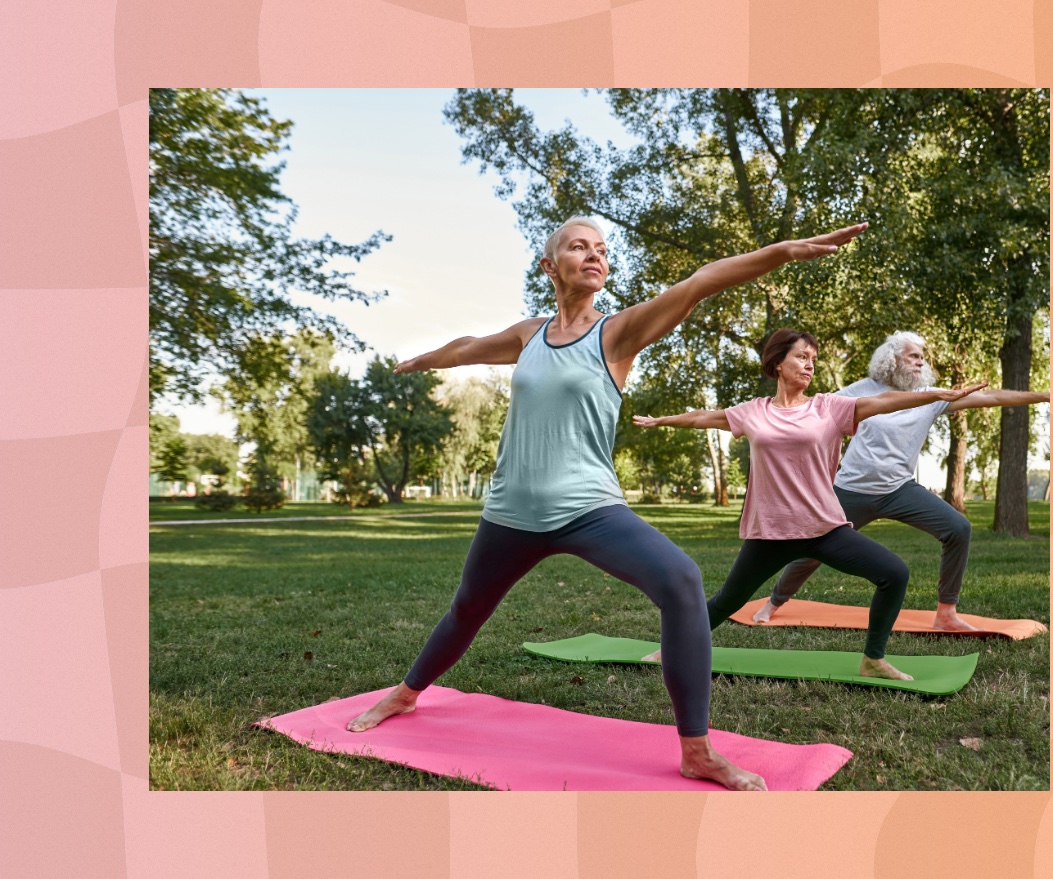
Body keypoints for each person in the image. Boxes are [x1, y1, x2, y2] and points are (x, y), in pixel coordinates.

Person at [345, 216, 869, 791]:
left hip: (589, 508)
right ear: (550, 265)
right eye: (578, 246)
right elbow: (470, 346)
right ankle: (406, 694)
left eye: (601, 249)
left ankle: (697, 749)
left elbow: (699, 283)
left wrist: (782, 253)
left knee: (681, 580)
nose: (594, 255)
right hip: (510, 512)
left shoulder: (615, 334)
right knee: (468, 608)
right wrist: (429, 361)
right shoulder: (530, 335)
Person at [634, 329, 985, 680]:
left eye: (813, 360)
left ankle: (873, 659)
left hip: (823, 528)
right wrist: (663, 420)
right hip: (770, 532)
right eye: (802, 357)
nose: (809, 365)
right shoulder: (753, 412)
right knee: (727, 601)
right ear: (777, 363)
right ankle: (671, 650)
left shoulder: (828, 407)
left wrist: (937, 394)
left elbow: (887, 401)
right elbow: (703, 417)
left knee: (894, 573)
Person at [752, 331, 1050, 631]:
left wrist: (1046, 396)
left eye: (923, 357)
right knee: (811, 551)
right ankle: (774, 602)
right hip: (851, 490)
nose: (921, 362)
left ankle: (946, 613)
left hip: (898, 489)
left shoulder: (931, 396)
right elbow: (811, 409)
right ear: (892, 359)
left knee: (958, 528)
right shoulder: (862, 391)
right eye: (914, 356)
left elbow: (993, 396)